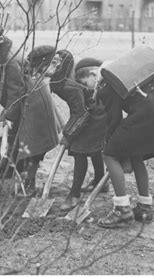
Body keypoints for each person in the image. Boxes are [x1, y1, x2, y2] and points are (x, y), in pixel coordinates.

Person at [95, 58, 154, 228]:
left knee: (109, 154)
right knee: (136, 154)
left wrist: (113, 147)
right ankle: (144, 208)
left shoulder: (107, 85)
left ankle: (122, 211)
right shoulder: (138, 75)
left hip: (145, 115)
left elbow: (113, 120)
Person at [0, 24, 59, 197]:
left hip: (32, 103)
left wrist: (9, 116)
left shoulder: (11, 60)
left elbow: (16, 92)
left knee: (31, 144)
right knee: (18, 141)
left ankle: (30, 184)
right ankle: (9, 170)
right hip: (24, 99)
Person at [29, 48, 108, 210]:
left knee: (80, 151)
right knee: (91, 148)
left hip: (95, 115)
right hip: (92, 111)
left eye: (42, 70)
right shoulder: (62, 74)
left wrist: (68, 134)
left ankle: (74, 195)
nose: (41, 74)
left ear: (54, 64)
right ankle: (100, 179)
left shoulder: (67, 85)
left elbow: (80, 113)